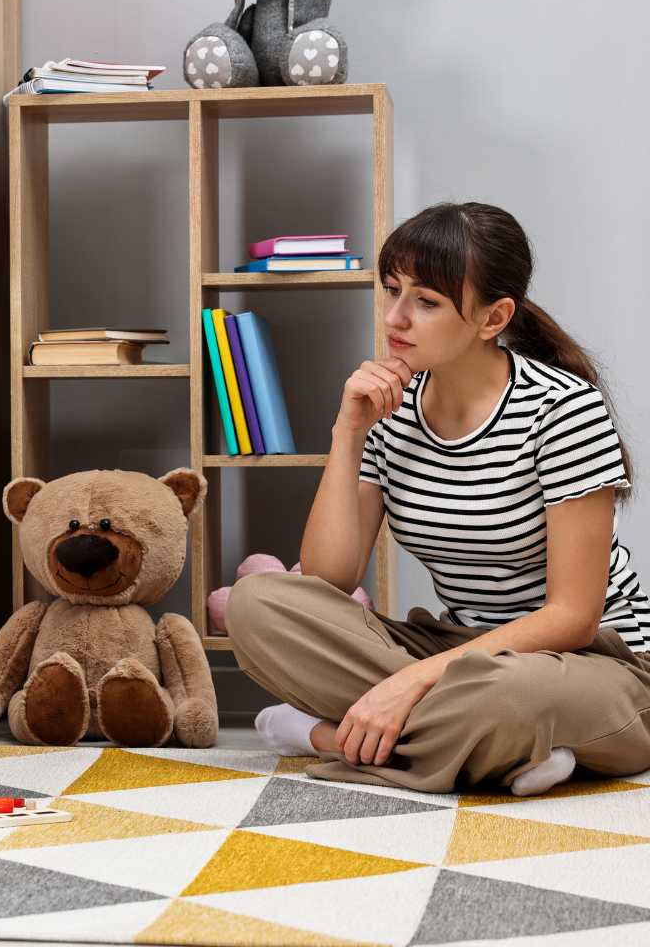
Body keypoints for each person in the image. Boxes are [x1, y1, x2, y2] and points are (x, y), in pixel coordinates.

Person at [230, 202, 650, 795]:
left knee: (512, 696)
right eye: (391, 291)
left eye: (426, 302)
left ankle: (322, 736)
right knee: (258, 601)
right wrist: (346, 434)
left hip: (595, 663)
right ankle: (498, 753)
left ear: (492, 316)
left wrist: (411, 684)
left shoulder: (563, 410)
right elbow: (327, 577)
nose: (396, 318)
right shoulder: (389, 410)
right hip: (461, 648)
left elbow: (573, 618)